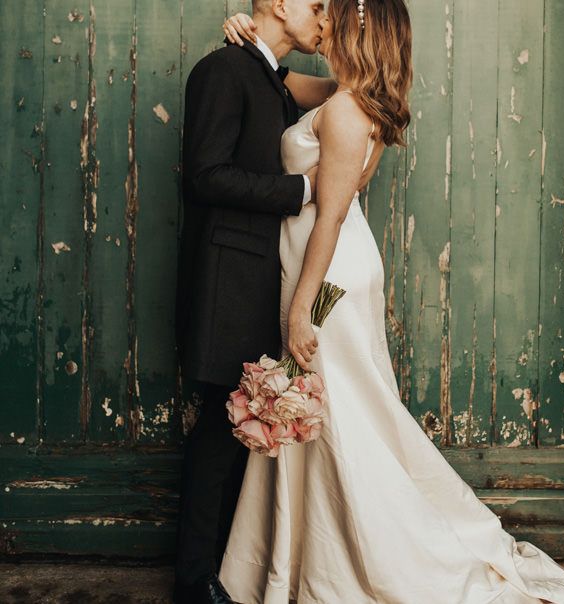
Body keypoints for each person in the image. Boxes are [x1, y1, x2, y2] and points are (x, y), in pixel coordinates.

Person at [215, 1, 564, 603]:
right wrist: (247, 37)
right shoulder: (347, 93)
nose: (323, 19)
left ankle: (368, 553)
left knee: (339, 416)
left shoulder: (347, 111)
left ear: (359, 27)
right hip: (332, 270)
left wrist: (302, 309)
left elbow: (331, 215)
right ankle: (301, 553)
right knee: (332, 412)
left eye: (334, 13)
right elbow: (279, 79)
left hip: (329, 279)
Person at [174, 1, 342, 602]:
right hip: (226, 282)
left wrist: (353, 32)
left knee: (238, 435)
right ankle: (195, 584)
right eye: (317, 5)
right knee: (221, 434)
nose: (323, 15)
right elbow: (206, 175)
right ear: (276, 3)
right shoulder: (223, 71)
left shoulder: (272, 79)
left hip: (255, 282)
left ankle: (222, 572)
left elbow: (352, 80)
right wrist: (302, 189)